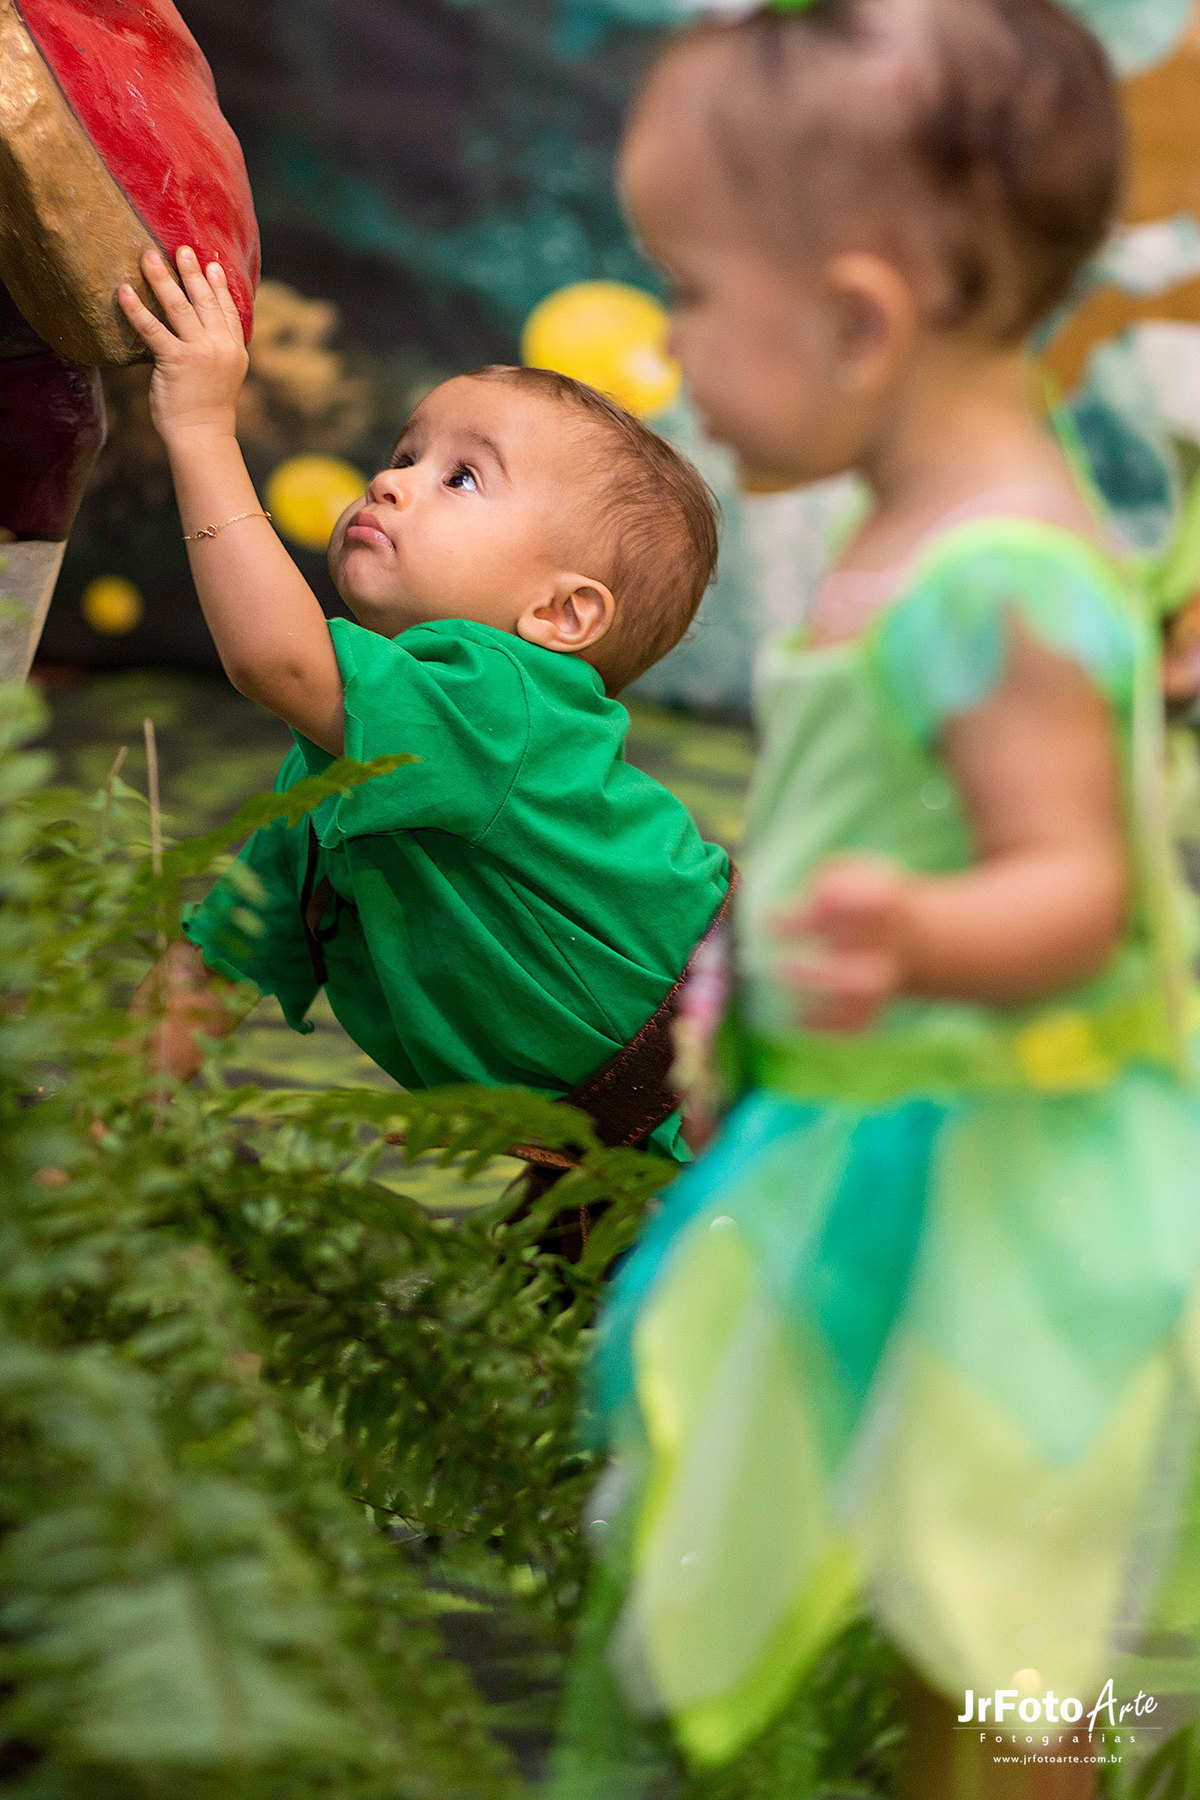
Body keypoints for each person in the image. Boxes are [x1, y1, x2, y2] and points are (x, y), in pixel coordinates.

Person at [553, 2, 1200, 1796]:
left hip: (1006, 1196)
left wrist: (917, 936)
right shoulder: (903, 530)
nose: (673, 356)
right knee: (879, 1570)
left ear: (857, 318)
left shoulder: (1003, 577)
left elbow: (1077, 886)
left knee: (993, 1633)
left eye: (692, 295)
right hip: (875, 1150)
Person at [118, 251, 730, 1168]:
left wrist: (204, 430)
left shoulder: (498, 701)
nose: (391, 482)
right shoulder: (331, 781)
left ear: (560, 615)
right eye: (404, 455)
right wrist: (92, 1127)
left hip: (762, 1083)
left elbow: (277, 658)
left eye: (462, 478)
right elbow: (215, 967)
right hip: (625, 1155)